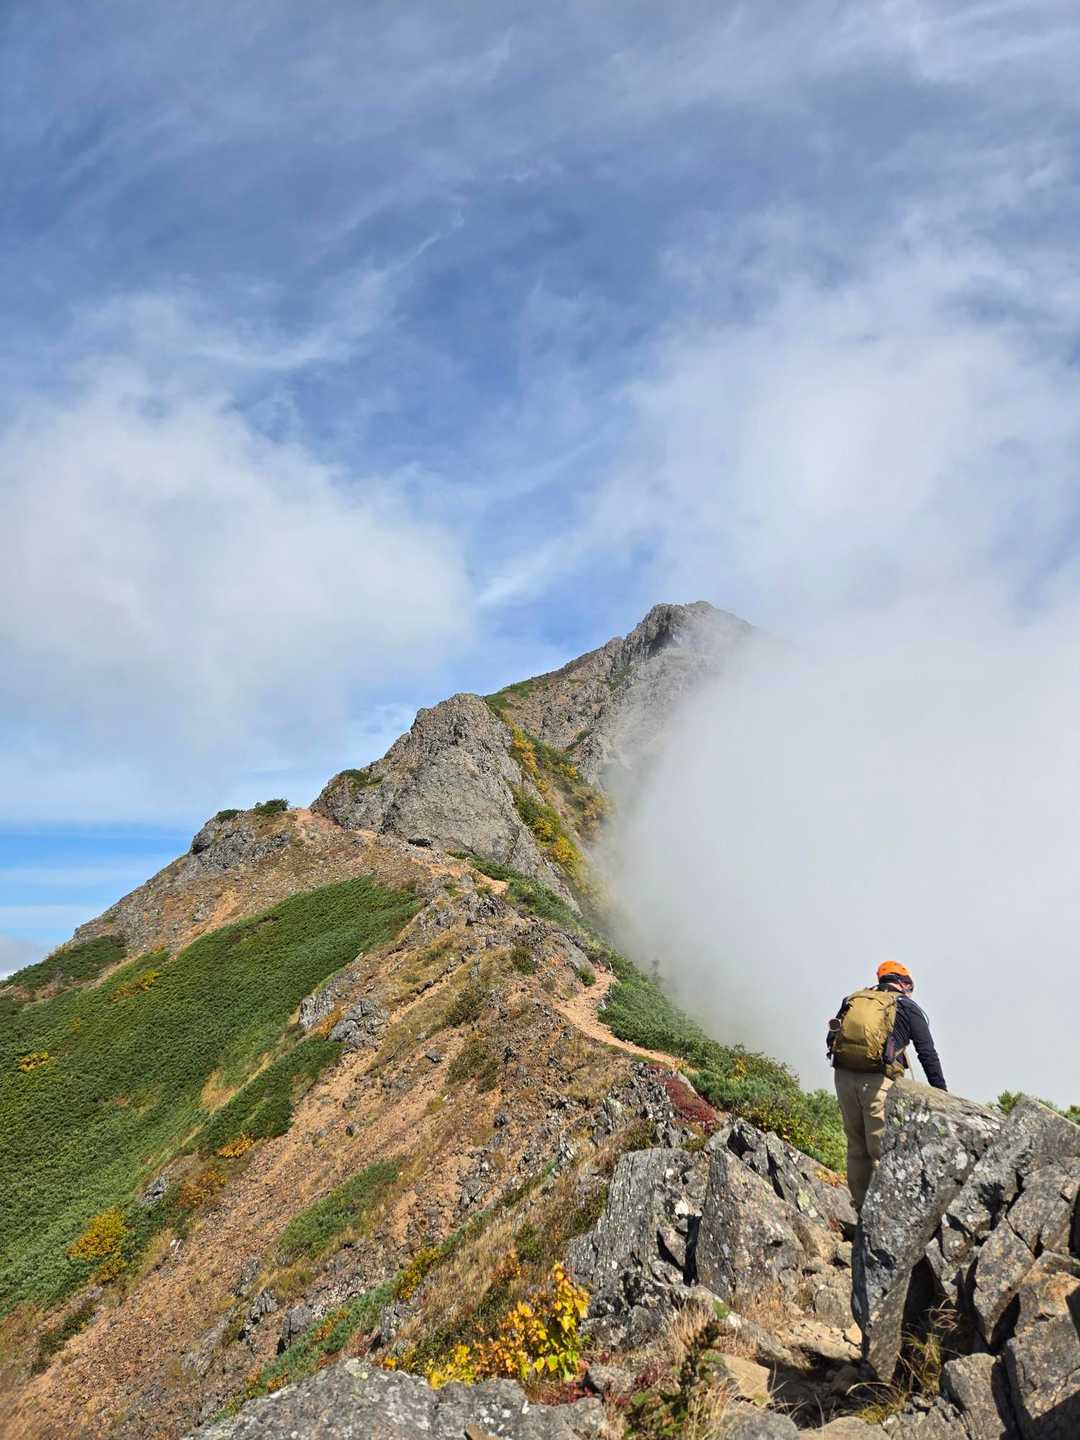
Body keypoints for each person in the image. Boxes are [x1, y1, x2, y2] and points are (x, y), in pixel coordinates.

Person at [827, 961, 947, 1210]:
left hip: (844, 1077)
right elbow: (927, 1053)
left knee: (856, 1147)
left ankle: (861, 1209)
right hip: (878, 1082)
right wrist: (942, 1094)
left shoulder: (853, 1000)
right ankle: (883, 1217)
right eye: (910, 985)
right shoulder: (908, 1007)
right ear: (903, 983)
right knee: (882, 1151)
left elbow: (832, 1038)